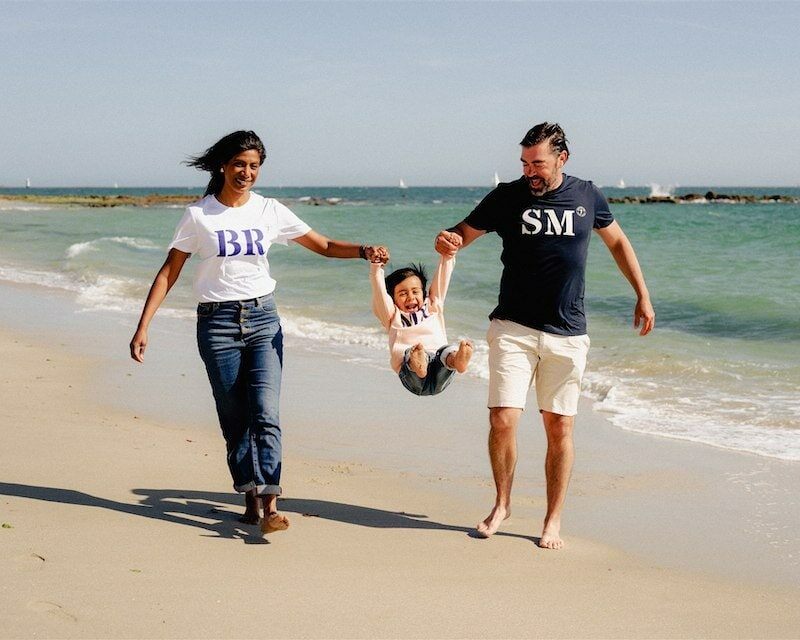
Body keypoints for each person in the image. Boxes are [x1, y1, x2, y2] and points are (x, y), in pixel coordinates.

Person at [129, 130, 388, 535]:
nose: (247, 172)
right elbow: (170, 270)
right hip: (216, 325)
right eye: (239, 165)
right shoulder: (200, 215)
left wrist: (362, 250)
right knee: (235, 419)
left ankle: (270, 504)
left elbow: (321, 244)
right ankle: (250, 499)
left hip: (264, 319)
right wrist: (143, 325)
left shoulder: (269, 210)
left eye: (253, 166)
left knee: (266, 412)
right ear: (223, 166)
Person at [435, 122, 655, 549]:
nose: (529, 171)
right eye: (524, 163)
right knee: (503, 418)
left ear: (561, 158)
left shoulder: (587, 195)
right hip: (512, 327)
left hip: (568, 332)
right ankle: (502, 504)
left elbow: (618, 244)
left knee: (559, 428)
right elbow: (462, 233)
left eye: (537, 163)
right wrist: (447, 240)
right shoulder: (507, 196)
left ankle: (553, 519)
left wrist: (642, 296)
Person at [370, 252, 473, 396]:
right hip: (411, 375)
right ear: (392, 299)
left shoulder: (432, 306)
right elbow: (379, 295)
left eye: (415, 291)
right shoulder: (392, 315)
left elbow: (443, 278)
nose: (410, 297)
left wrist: (448, 255)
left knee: (447, 351)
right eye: (403, 294)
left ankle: (457, 361)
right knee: (411, 354)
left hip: (440, 368)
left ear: (423, 293)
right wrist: (376, 269)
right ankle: (419, 362)